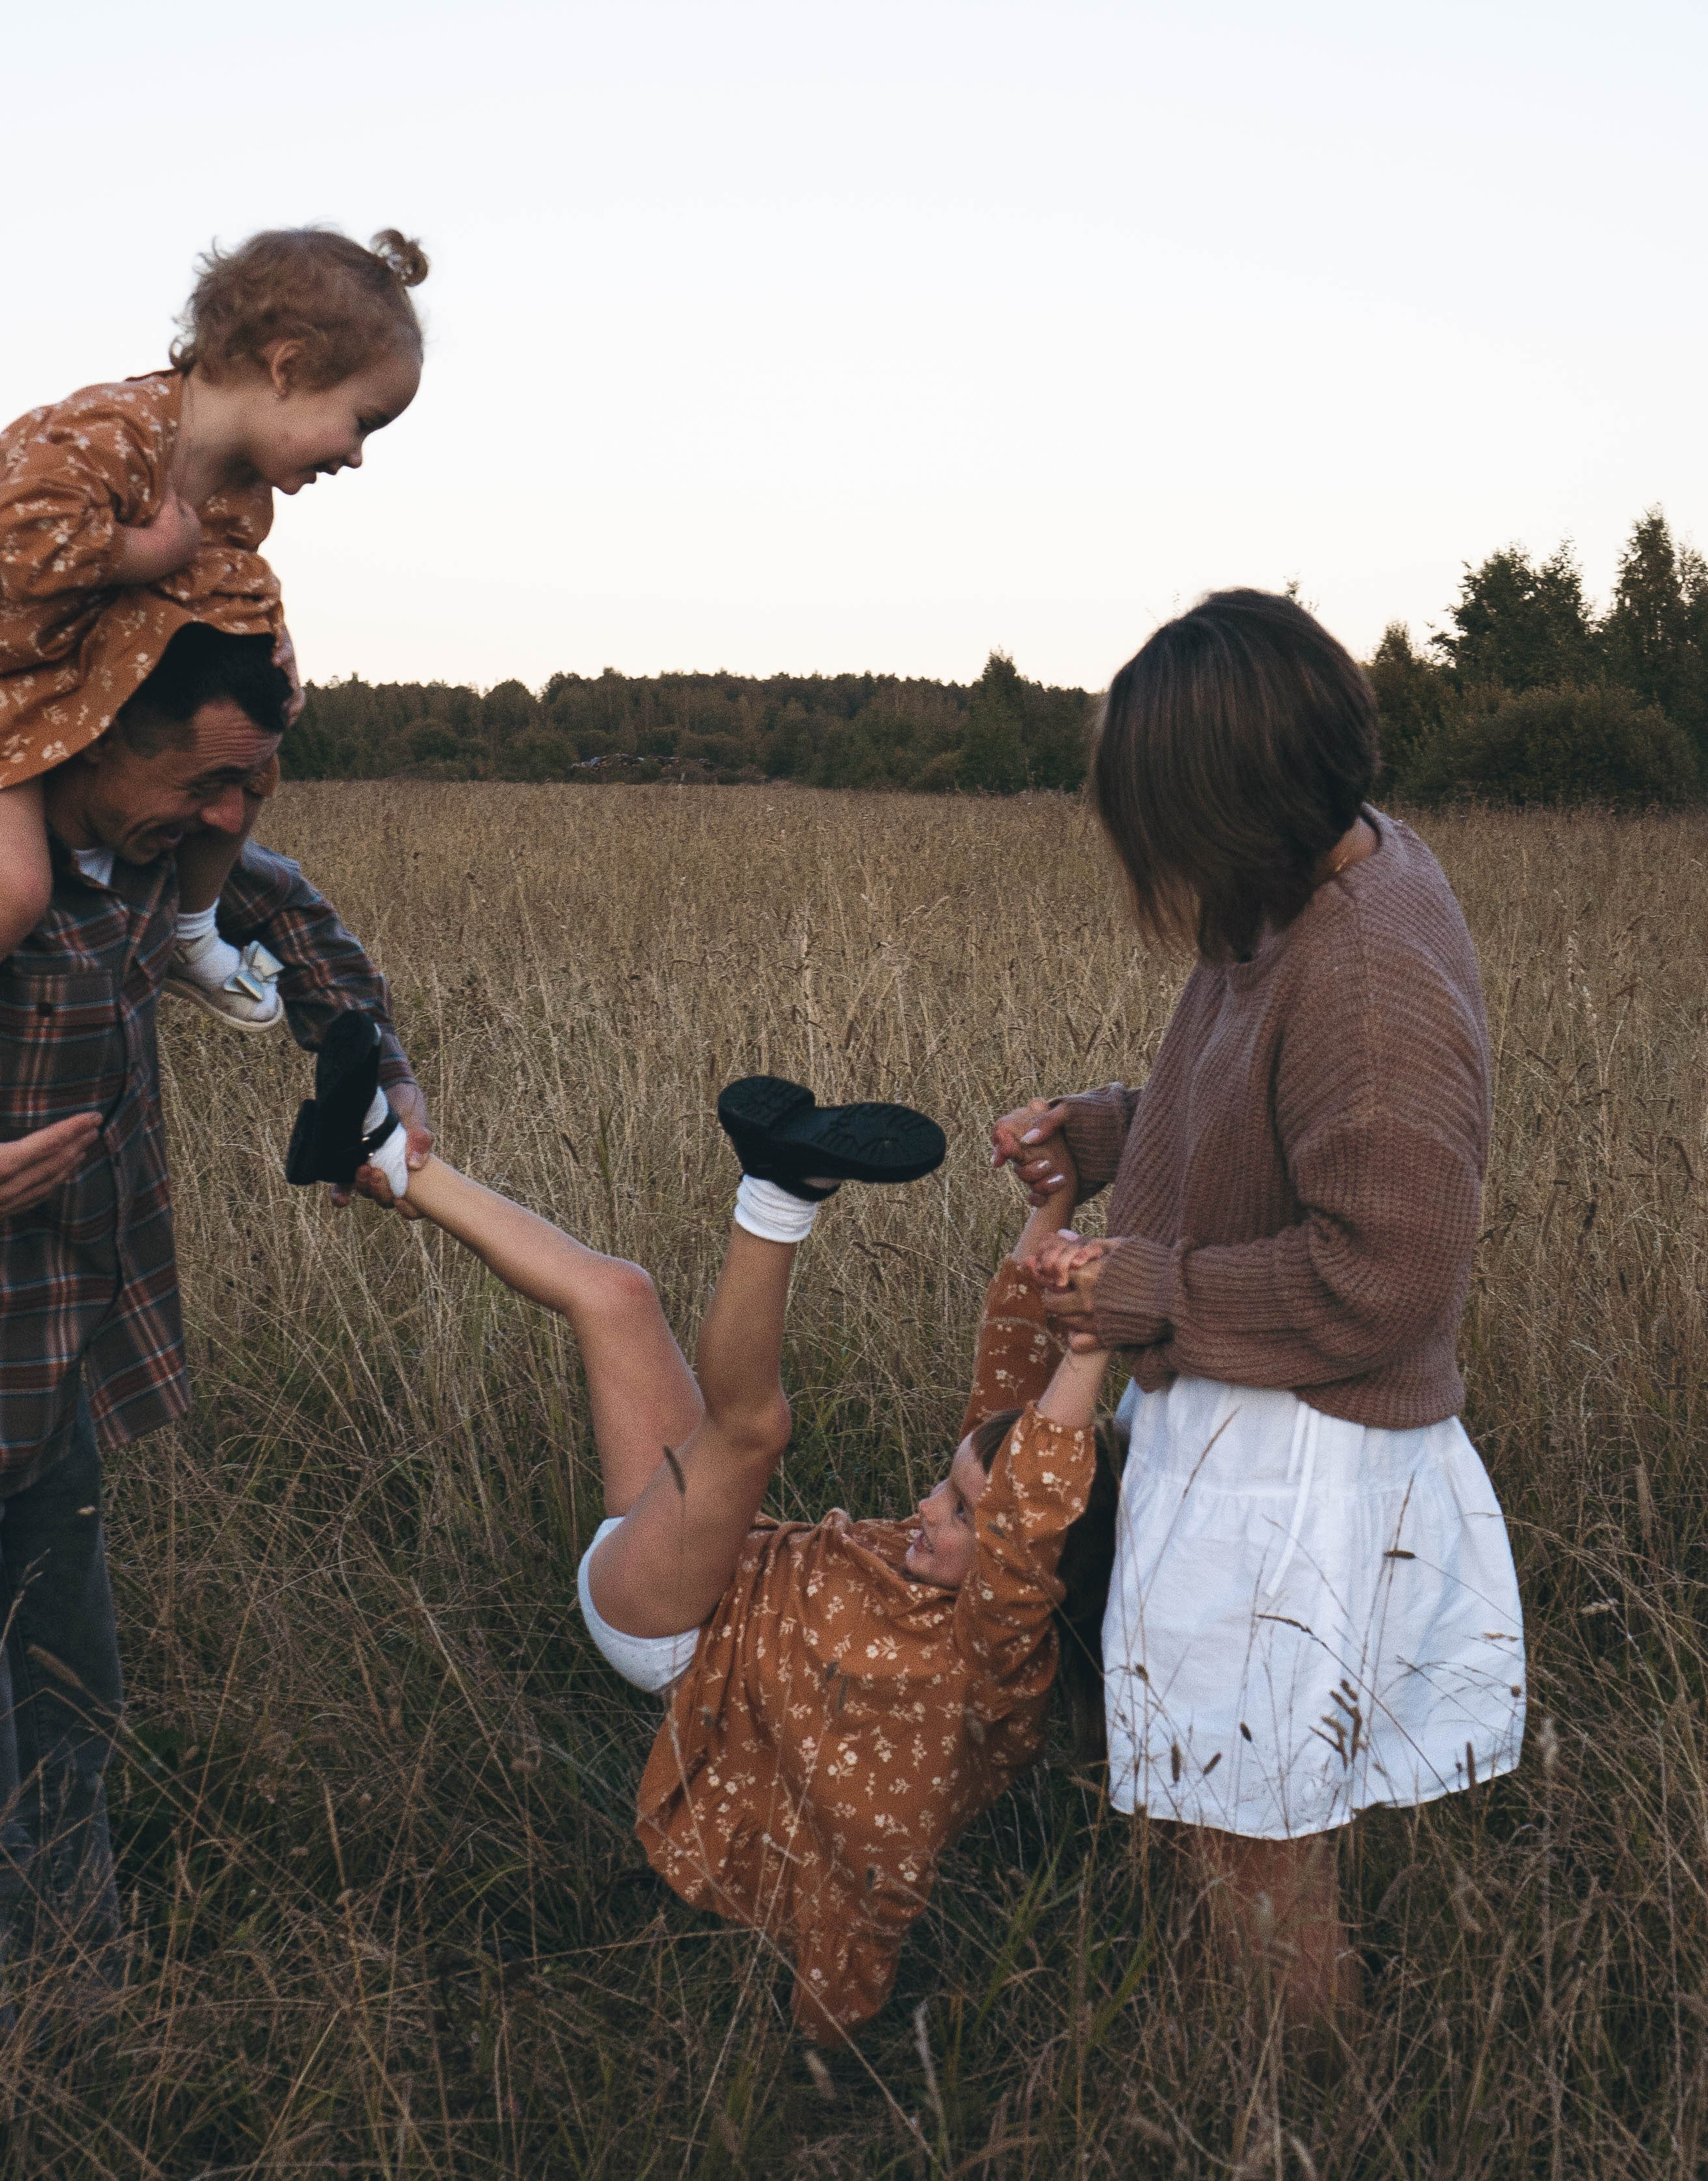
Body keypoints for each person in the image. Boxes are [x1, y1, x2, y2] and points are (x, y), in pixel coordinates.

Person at [314, 1062, 1116, 2042]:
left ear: (1032, 1573)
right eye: (945, 1488)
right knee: (616, 1295)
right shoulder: (984, 1535)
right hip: (709, 1551)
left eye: (956, 1512)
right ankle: (385, 1154)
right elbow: (1014, 1357)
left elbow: (1030, 1515)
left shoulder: (998, 1654)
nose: (923, 1506)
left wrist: (1093, 1351)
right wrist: (1057, 1206)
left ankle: (781, 1190)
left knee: (752, 1431)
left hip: (678, 1627)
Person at [993, 589, 1525, 2030]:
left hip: (1298, 1466)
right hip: (1245, 1423)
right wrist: (1109, 1131)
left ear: (1235, 807)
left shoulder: (1368, 969)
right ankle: (1232, 2058)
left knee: (1255, 1833)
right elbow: (1263, 1115)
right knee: (1221, 1798)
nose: (1157, 861)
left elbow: (1385, 1275)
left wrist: (1141, 1289)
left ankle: (1298, 2112)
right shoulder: (1297, 886)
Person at [0, 622, 431, 2026]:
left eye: (253, 786)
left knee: (69, 1701)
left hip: (45, 1366)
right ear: (96, 735)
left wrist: (381, 1073)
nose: (233, 820)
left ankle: (76, 2018)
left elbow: (292, 915)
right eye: (209, 783)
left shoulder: (151, 859)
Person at [0, 224, 427, 1026]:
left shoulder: (241, 494)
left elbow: (222, 585)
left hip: (54, 688)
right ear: (287, 366)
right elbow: (23, 544)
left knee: (255, 741)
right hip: (9, 693)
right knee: (16, 892)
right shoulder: (111, 431)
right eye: (364, 421)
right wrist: (147, 550)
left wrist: (273, 646)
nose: (358, 456)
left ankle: (191, 928)